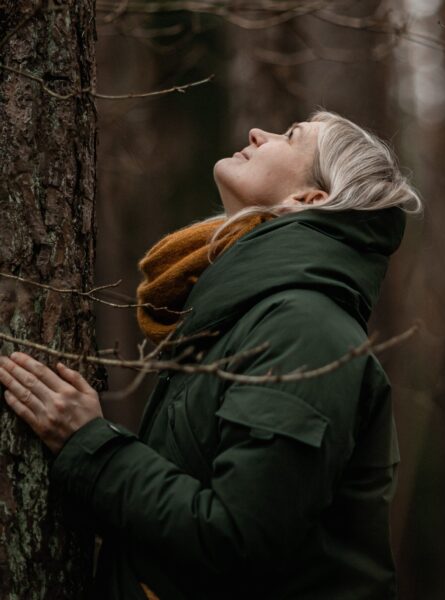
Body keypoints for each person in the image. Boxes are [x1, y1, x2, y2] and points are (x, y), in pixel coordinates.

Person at [0, 109, 423, 599]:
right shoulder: (251, 314)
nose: (258, 133)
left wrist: (91, 446)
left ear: (310, 199)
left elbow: (237, 542)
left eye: (291, 136)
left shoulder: (303, 329)